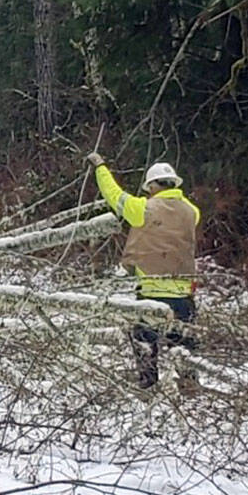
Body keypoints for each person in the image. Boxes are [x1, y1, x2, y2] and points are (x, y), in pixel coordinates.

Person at [86, 152, 201, 388]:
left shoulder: (143, 208)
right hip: (183, 294)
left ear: (152, 186)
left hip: (151, 292)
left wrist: (100, 167)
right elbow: (183, 205)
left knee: (145, 344)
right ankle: (190, 390)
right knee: (184, 349)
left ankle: (148, 387)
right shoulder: (192, 212)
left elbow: (114, 194)